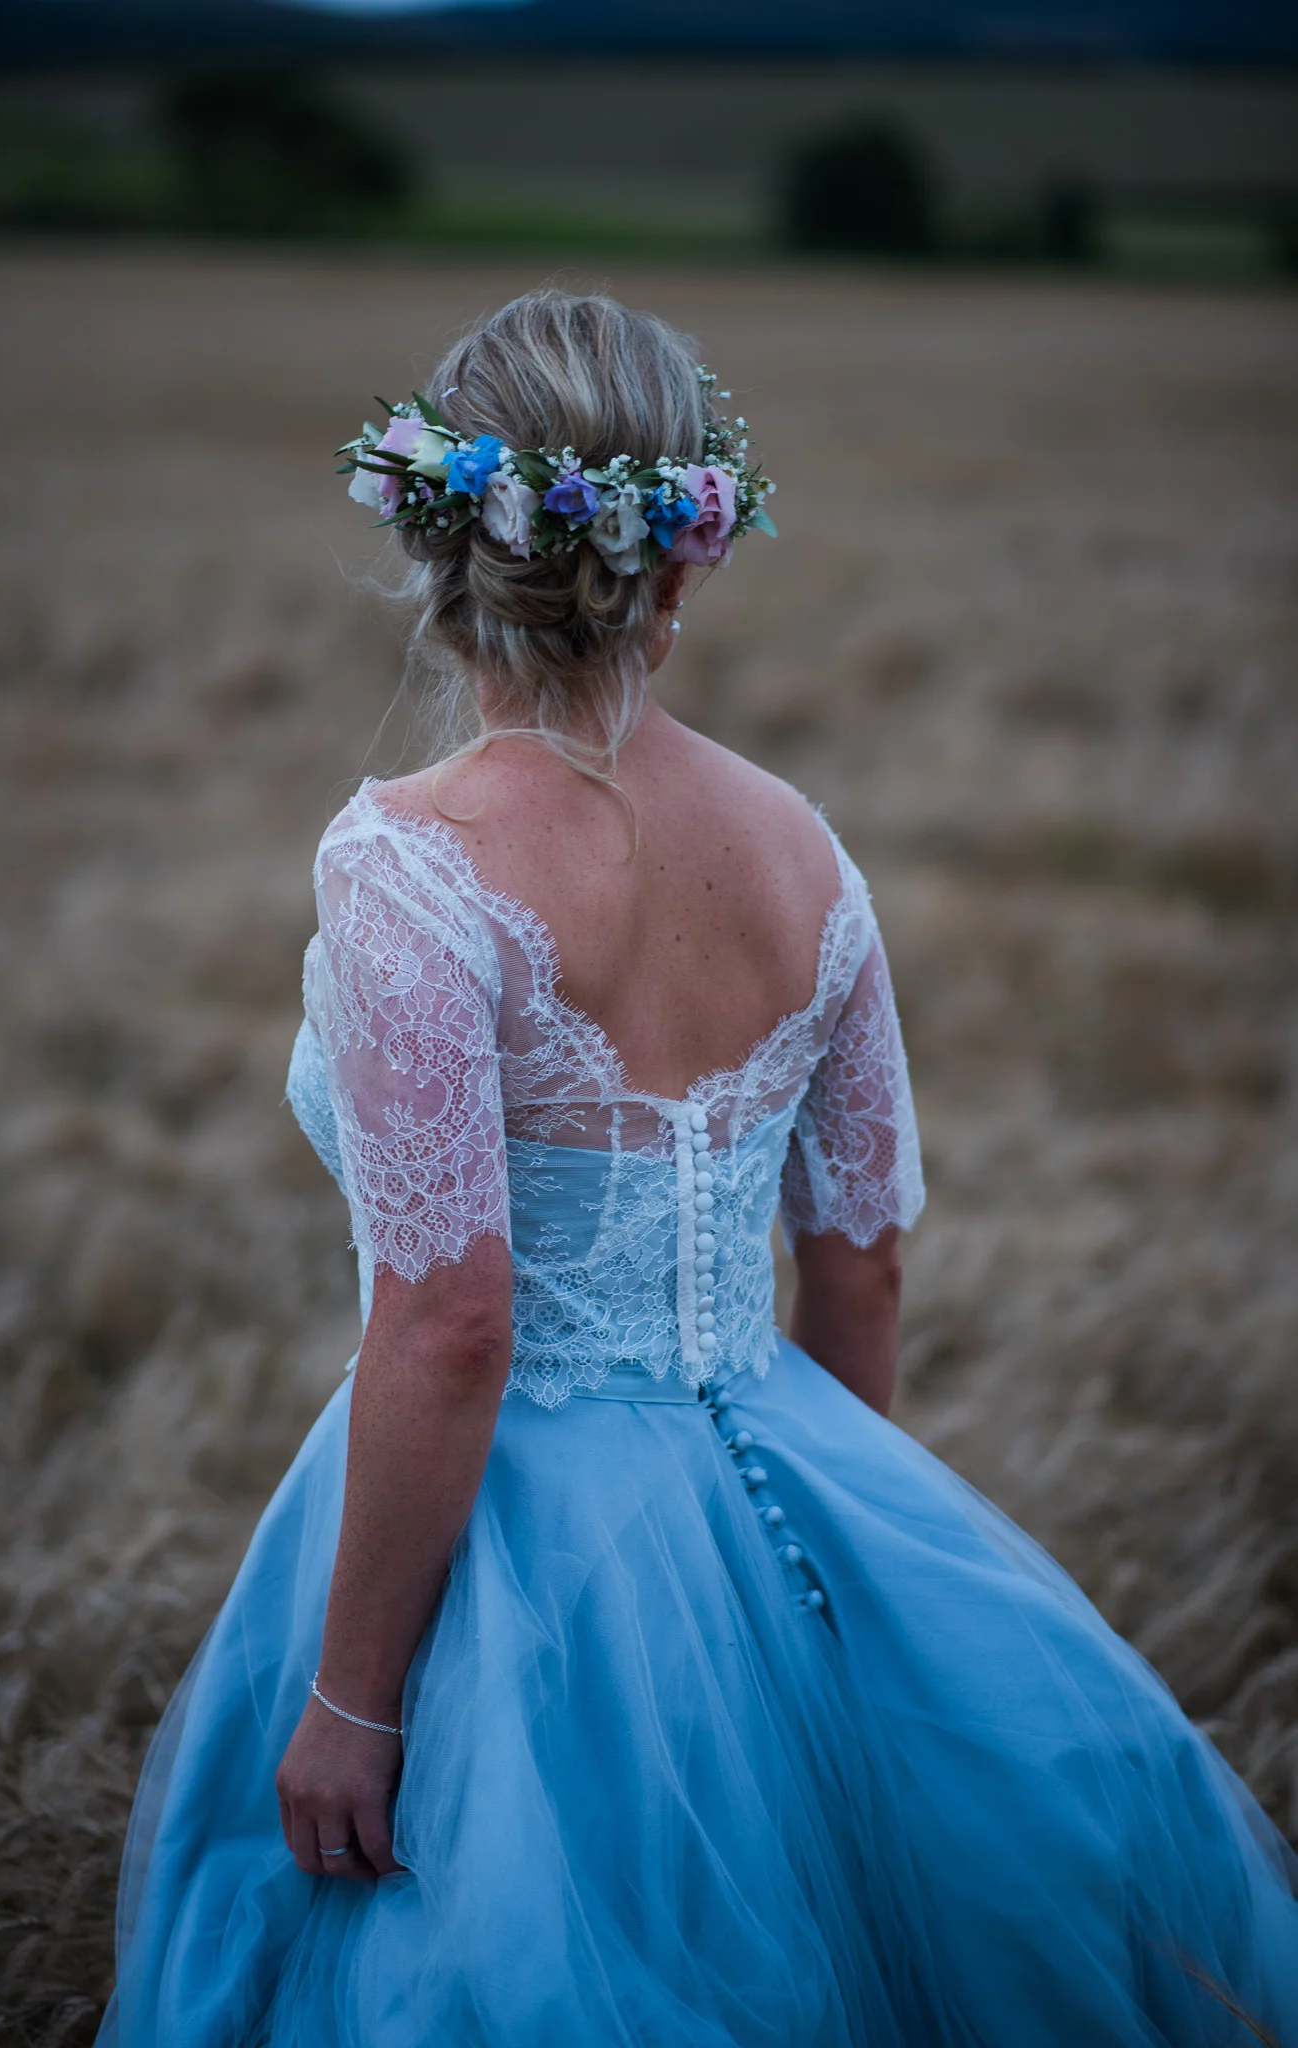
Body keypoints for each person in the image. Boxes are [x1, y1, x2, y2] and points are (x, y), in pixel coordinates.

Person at [98, 290, 1297, 2048]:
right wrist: (822, 1591)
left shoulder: (408, 873)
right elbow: (863, 1257)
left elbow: (447, 1326)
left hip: (498, 1552)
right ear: (690, 554)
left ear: (434, 530)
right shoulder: (802, 848)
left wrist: (356, 1697)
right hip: (784, 1485)